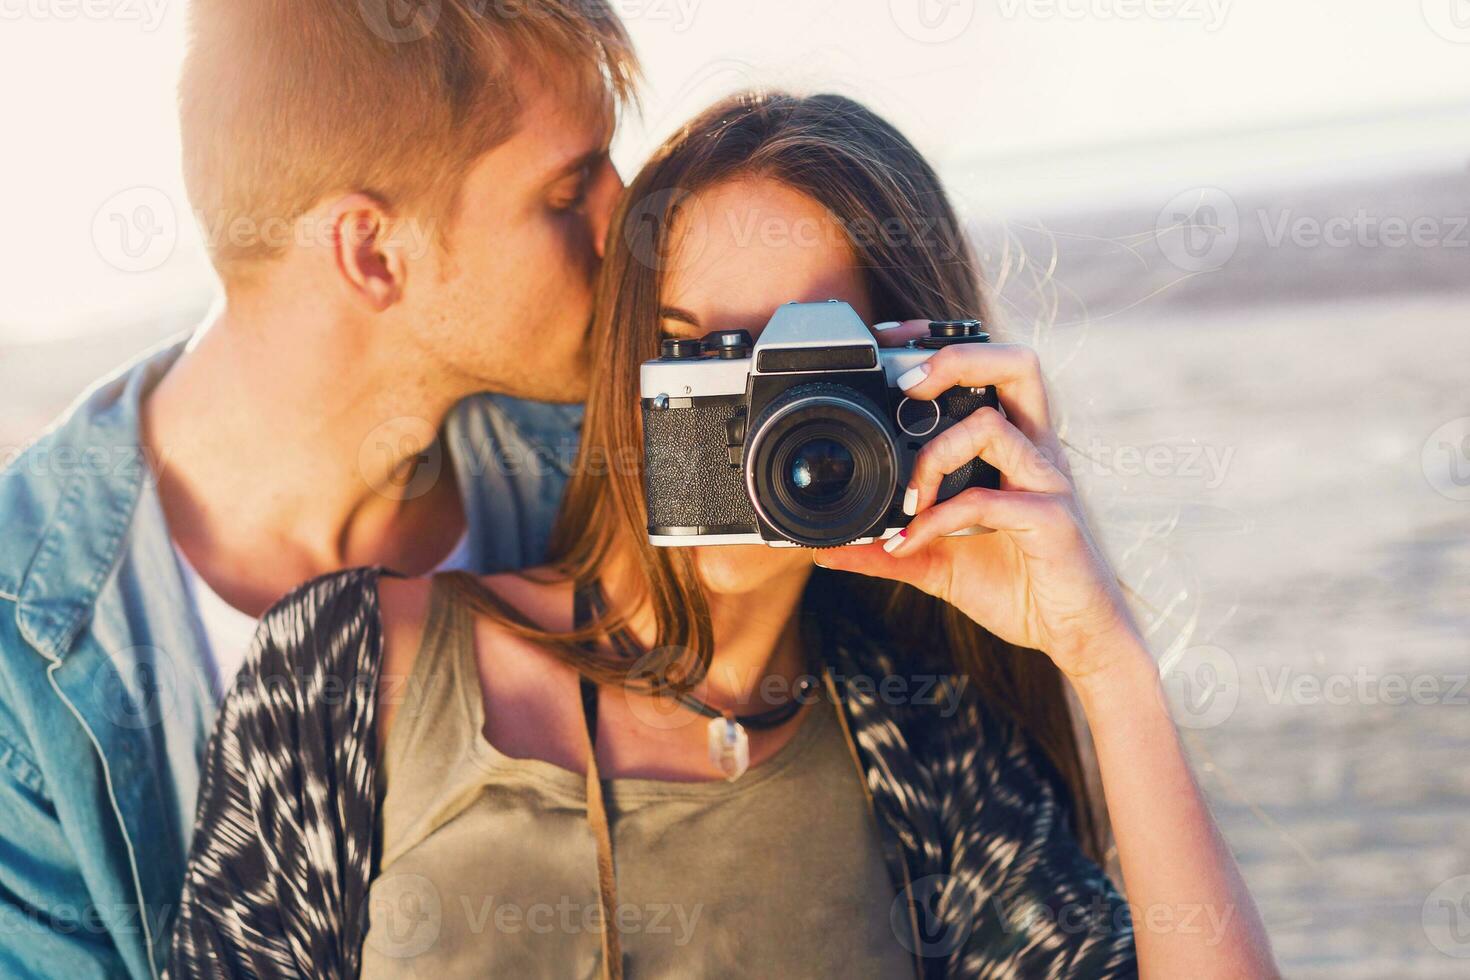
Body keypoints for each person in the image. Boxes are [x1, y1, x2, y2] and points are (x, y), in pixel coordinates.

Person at [167, 92, 1277, 978]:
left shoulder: (927, 742)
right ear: (624, 368)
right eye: (714, 353)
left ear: (917, 392)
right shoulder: (361, 663)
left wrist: (1105, 660)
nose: (770, 423)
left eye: (816, 368)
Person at [0, 3, 637, 978]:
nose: (627, 223)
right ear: (371, 253)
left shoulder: (612, 465)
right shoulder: (24, 650)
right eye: (567, 191)